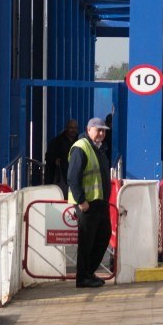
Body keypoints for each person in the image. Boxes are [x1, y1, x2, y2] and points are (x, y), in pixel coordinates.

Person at [68, 117, 112, 289]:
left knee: (103, 236)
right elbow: (73, 177)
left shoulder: (99, 148)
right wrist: (81, 201)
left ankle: (89, 272)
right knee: (87, 241)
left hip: (99, 202)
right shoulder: (81, 148)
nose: (101, 133)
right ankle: (83, 277)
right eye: (98, 130)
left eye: (103, 131)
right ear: (88, 130)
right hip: (87, 204)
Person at [43, 118, 79, 188]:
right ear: (66, 128)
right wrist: (55, 161)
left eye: (75, 128)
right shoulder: (57, 141)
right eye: (71, 128)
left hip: (76, 175)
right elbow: (48, 156)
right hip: (61, 177)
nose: (73, 130)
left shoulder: (80, 141)